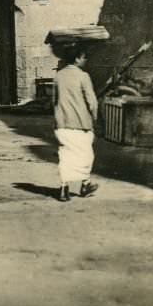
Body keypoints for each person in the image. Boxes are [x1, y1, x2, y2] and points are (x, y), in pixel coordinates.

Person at [53, 45, 99, 202]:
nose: (85, 60)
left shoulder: (58, 76)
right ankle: (85, 184)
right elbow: (92, 102)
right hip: (81, 124)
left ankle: (64, 188)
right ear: (77, 58)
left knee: (65, 155)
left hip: (62, 124)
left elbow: (54, 100)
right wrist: (95, 117)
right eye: (84, 57)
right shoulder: (83, 76)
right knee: (86, 155)